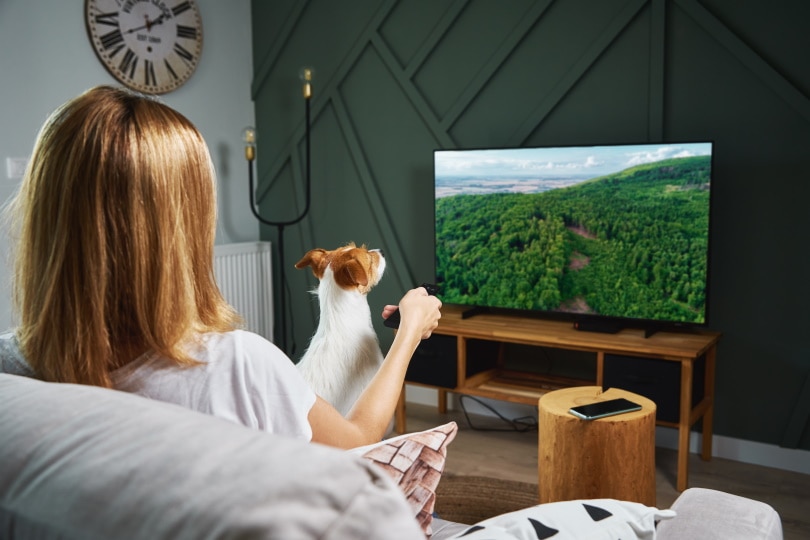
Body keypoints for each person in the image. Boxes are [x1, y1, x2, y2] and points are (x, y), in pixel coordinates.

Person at [0, 85, 441, 449]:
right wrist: (409, 333)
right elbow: (357, 439)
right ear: (184, 228)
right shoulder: (238, 367)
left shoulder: (8, 368)